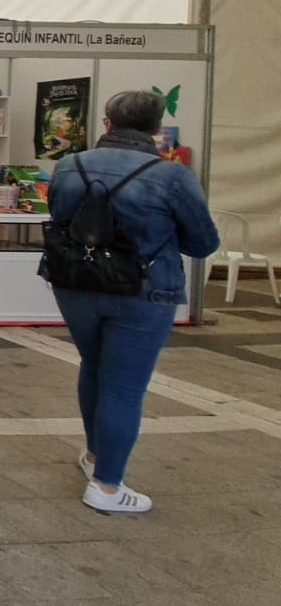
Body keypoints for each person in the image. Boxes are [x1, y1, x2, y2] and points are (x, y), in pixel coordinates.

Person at [47, 90, 218, 514]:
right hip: (144, 290)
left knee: (93, 366)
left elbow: (60, 219)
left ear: (106, 122)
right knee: (124, 386)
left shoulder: (70, 165)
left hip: (77, 284)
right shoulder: (172, 176)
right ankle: (106, 486)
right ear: (157, 128)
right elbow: (202, 243)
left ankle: (93, 456)